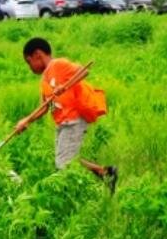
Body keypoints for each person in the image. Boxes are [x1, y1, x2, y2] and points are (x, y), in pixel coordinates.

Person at [12, 37, 118, 193]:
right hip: (63, 123)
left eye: (29, 62)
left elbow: (84, 71)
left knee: (63, 164)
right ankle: (105, 172)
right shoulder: (44, 80)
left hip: (73, 119)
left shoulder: (58, 64)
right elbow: (44, 107)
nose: (30, 67)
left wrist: (64, 86)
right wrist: (26, 121)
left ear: (37, 55)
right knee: (66, 159)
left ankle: (75, 193)